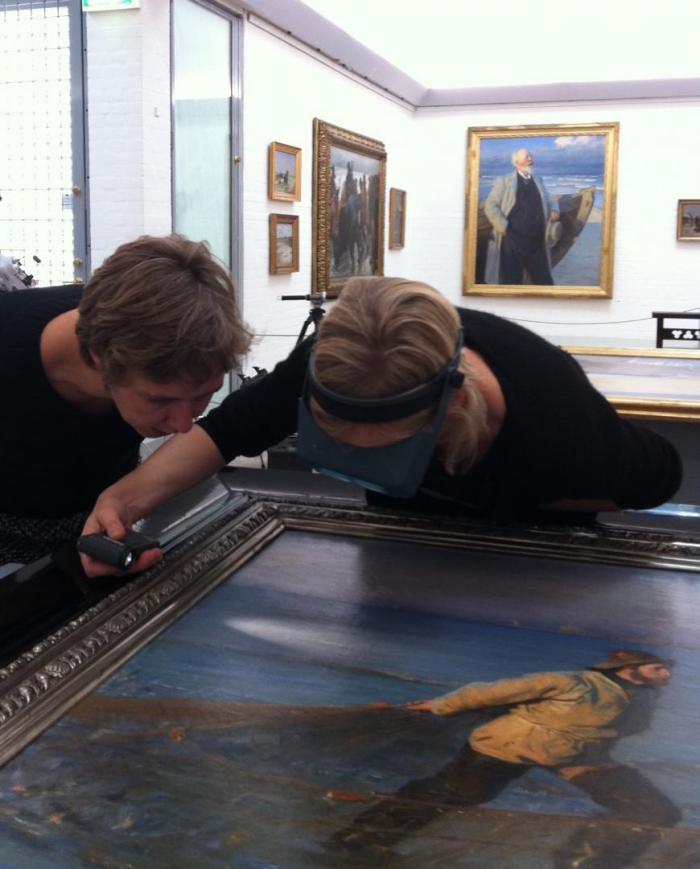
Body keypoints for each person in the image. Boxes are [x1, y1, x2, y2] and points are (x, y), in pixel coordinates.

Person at [80, 277, 682, 576]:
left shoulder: (556, 424)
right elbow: (230, 430)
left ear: (453, 408)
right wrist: (122, 498)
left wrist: (531, 506)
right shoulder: (339, 357)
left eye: (385, 448)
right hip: (396, 542)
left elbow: (660, 475)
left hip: (536, 556)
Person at [0, 233, 251, 565]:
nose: (183, 426)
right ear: (100, 359)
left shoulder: (139, 345)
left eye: (204, 396)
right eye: (161, 401)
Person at [330, 650, 679, 867]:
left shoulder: (641, 700)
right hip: (509, 745)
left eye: (667, 670)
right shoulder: (573, 681)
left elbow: (623, 731)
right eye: (658, 668)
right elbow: (493, 692)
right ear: (629, 667)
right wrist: (439, 706)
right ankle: (360, 839)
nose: (666, 676)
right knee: (456, 793)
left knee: (653, 809)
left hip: (577, 755)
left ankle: (581, 864)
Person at [483, 147, 560, 285]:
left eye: (531, 157)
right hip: (513, 241)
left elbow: (550, 198)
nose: (531, 160)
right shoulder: (504, 181)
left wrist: (554, 209)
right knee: (511, 281)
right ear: (517, 163)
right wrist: (504, 227)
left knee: (545, 282)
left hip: (537, 242)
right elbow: (490, 205)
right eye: (527, 158)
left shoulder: (538, 180)